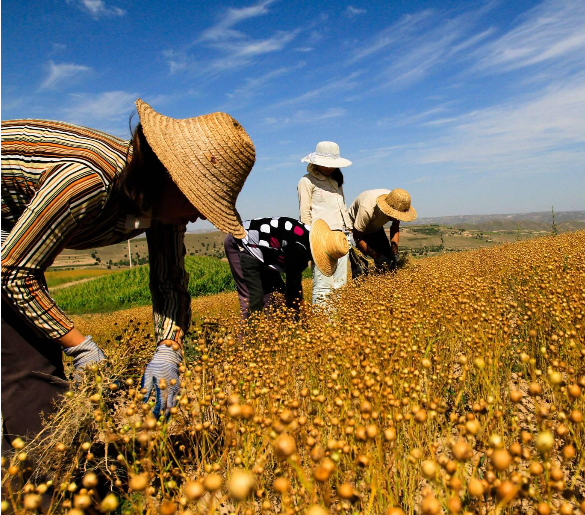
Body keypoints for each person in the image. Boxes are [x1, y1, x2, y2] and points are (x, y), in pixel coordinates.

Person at [1, 100, 255, 443]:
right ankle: (36, 481)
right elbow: (14, 272)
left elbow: (170, 283)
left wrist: (168, 349)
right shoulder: (86, 181)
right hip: (9, 244)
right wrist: (81, 348)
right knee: (30, 369)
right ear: (170, 177)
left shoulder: (164, 209)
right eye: (199, 202)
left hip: (13, 236)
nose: (200, 217)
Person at [224, 218, 349, 319]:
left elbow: (292, 286)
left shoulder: (307, 238)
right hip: (241, 242)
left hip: (265, 252)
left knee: (276, 295)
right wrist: (302, 314)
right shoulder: (299, 248)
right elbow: (293, 286)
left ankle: (274, 337)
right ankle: (246, 346)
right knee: (252, 300)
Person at [297, 141, 352, 305]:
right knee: (323, 284)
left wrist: (348, 232)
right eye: (326, 164)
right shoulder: (306, 182)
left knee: (341, 284)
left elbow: (342, 207)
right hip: (320, 237)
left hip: (341, 237)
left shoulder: (336, 181)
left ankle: (336, 323)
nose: (329, 168)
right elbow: (305, 213)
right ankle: (321, 326)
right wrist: (308, 241)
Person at [348, 188, 417, 279]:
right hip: (354, 230)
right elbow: (357, 238)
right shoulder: (367, 209)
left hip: (375, 228)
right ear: (388, 209)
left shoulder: (398, 202)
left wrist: (394, 250)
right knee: (360, 268)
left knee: (388, 263)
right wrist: (375, 255)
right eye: (394, 214)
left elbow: (395, 227)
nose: (396, 217)